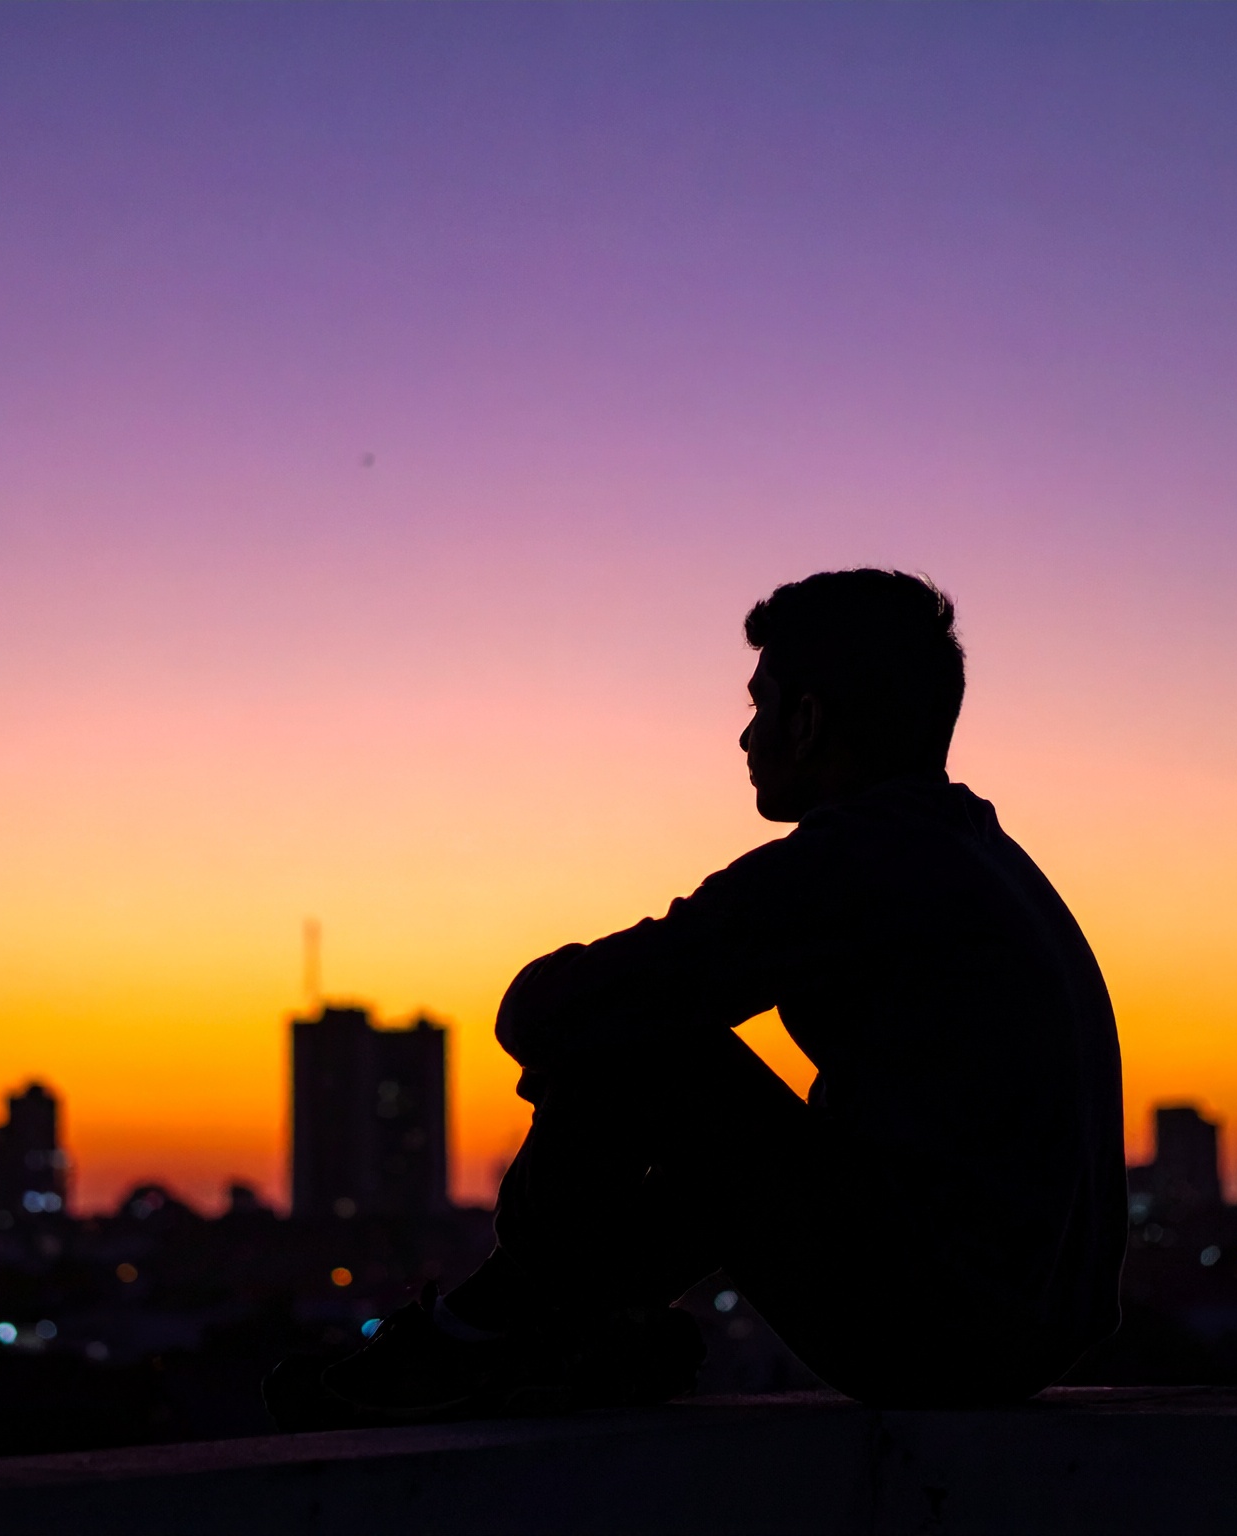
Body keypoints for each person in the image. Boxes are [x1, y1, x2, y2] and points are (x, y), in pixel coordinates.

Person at [267, 569, 1124, 1425]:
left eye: (760, 705)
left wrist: (572, 1037)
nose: (746, 737)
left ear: (807, 720)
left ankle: (488, 1335)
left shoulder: (860, 862)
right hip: (1020, 1327)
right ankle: (555, 1325)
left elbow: (554, 1010)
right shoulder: (977, 854)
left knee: (640, 1039)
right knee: (652, 1039)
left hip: (942, 1333)